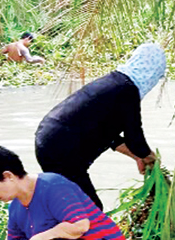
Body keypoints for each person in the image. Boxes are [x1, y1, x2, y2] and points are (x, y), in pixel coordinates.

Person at [33, 42, 165, 210]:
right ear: (152, 71)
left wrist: (138, 157)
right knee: (91, 211)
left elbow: (111, 137)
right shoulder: (128, 90)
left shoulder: (114, 83)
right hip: (62, 148)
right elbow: (135, 139)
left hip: (49, 141)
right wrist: (151, 159)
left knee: (81, 208)